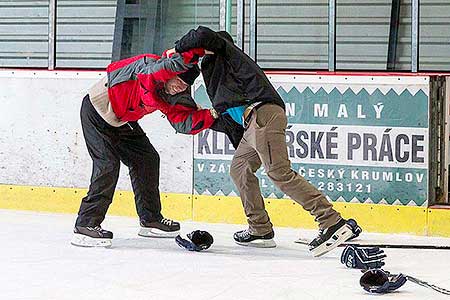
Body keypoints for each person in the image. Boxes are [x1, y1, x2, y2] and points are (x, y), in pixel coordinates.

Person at [167, 26, 361, 256]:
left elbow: (202, 34)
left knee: (279, 172)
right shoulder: (217, 77)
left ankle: (332, 222)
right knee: (239, 169)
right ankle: (260, 229)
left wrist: (177, 49)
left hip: (263, 114)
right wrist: (202, 116)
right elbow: (229, 120)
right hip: (251, 125)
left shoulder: (227, 53)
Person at [72, 48, 218, 247]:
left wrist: (214, 114)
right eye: (178, 81)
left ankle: (150, 220)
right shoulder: (149, 67)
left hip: (122, 120)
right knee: (107, 165)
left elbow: (182, 121)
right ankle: (85, 225)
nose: (179, 87)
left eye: (185, 85)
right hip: (96, 111)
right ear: (171, 73)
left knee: (147, 159)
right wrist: (198, 49)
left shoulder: (174, 93)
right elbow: (155, 72)